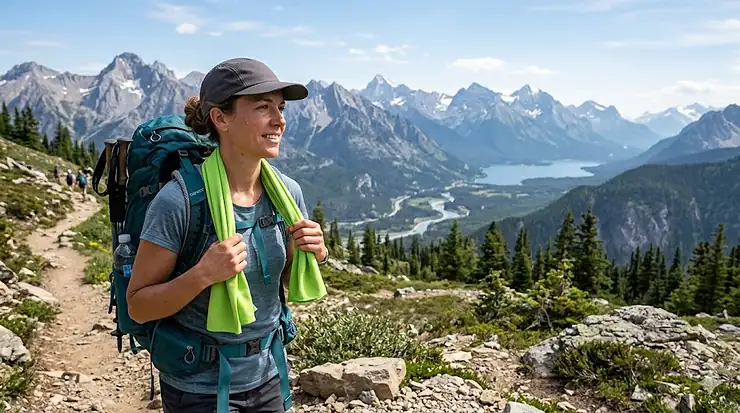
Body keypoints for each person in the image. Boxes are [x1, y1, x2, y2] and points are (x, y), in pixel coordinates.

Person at [126, 58, 329, 413]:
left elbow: (280, 283)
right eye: (263, 107)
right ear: (221, 118)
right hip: (199, 385)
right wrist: (203, 274)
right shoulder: (179, 202)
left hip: (269, 372)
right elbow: (139, 306)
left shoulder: (288, 194)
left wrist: (310, 253)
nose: (279, 119)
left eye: (280, 107)